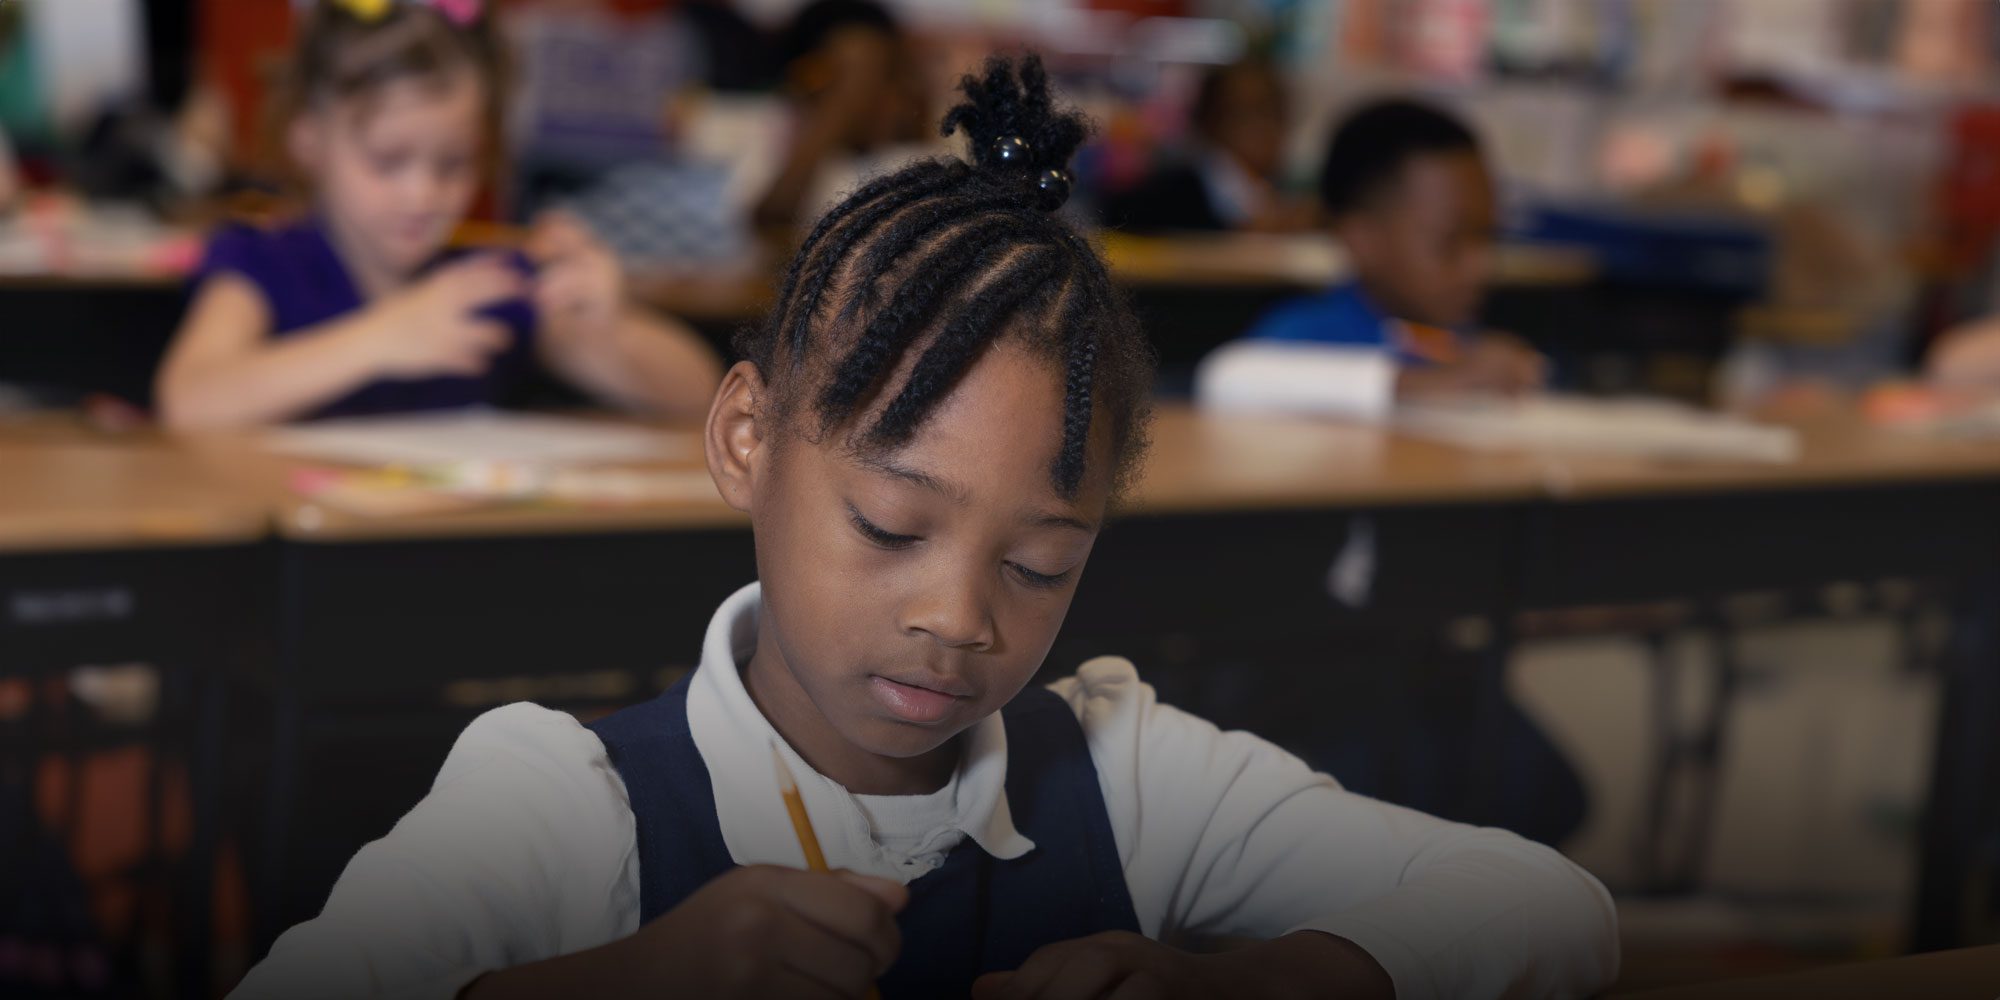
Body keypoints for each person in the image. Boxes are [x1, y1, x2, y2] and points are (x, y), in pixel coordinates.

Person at [233, 58, 1619, 1000]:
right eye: (890, 525)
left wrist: (1266, 974)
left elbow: (1551, 908)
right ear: (746, 440)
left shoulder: (1127, 775)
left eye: (1038, 565)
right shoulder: (568, 800)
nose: (959, 620)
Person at [154, 0, 720, 428]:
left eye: (453, 164)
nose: (422, 194)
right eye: (388, 161)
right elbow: (191, 401)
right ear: (309, 139)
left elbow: (703, 399)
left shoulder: (487, 281)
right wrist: (380, 339)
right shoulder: (262, 261)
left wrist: (612, 328)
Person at [1206, 99, 1545, 418]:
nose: (1479, 266)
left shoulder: (1456, 342)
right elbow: (1231, 377)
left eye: (1488, 237)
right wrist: (1423, 384)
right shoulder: (1303, 332)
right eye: (1449, 243)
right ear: (1362, 239)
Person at [750, 0, 930, 230]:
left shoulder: (916, 164)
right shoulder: (761, 139)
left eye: (883, 75)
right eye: (856, 80)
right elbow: (771, 216)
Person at [1101, 57, 1312, 234]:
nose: (1262, 128)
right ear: (1207, 121)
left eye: (1272, 112)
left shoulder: (1284, 196)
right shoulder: (1167, 196)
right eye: (1241, 114)